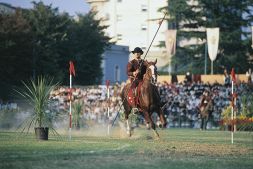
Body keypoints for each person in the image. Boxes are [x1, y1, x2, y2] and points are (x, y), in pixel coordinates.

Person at [127, 47, 148, 113]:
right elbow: (128, 72)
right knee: (133, 90)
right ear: (134, 54)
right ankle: (134, 106)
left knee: (151, 87)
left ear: (140, 54)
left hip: (142, 80)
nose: (137, 54)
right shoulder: (131, 63)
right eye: (136, 53)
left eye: (138, 53)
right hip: (134, 80)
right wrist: (134, 72)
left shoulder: (144, 62)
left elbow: (147, 70)